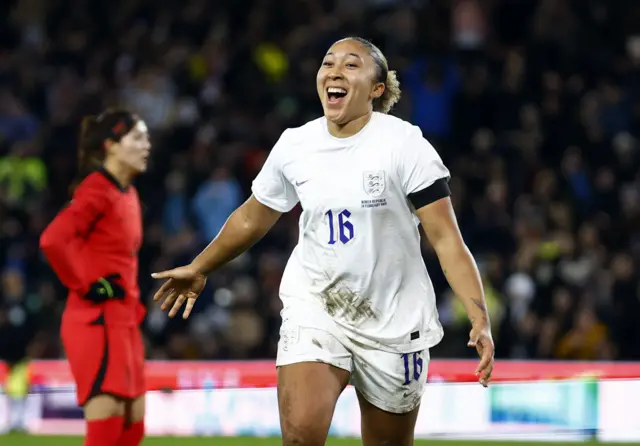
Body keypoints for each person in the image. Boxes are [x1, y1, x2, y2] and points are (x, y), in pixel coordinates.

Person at [152, 37, 495, 446]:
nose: (334, 71)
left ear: (376, 89)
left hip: (393, 320)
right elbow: (251, 218)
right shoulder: (296, 145)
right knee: (300, 438)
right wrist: (200, 266)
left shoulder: (405, 146)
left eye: (351, 65)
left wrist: (479, 315)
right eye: (328, 63)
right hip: (317, 306)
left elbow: (446, 239)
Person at [40, 109, 151, 446]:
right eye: (137, 138)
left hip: (125, 322)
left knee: (132, 431)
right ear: (111, 145)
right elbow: (52, 240)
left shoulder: (128, 193)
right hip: (97, 322)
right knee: (106, 434)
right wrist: (87, 284)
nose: (147, 145)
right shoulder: (96, 189)